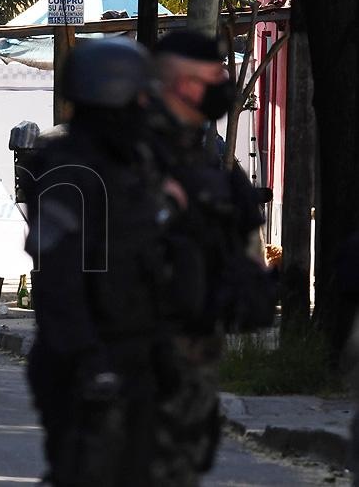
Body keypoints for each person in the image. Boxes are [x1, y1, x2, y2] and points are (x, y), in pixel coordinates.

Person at [24, 37, 171, 487]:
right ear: (113, 95)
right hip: (85, 366)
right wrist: (90, 361)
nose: (148, 106)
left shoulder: (134, 165)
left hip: (137, 360)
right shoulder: (68, 173)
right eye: (140, 95)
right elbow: (57, 282)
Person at [147, 30, 274, 486]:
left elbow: (248, 251)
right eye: (215, 75)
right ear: (184, 83)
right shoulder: (125, 157)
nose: (226, 82)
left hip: (196, 353)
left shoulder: (209, 164)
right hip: (131, 356)